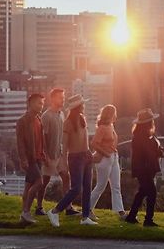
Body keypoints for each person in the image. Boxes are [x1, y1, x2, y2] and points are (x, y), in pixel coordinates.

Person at [47, 94, 97, 227]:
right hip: (75, 158)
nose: (84, 106)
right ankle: (54, 211)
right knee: (76, 188)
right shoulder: (68, 123)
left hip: (86, 155)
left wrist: (90, 154)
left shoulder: (82, 119)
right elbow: (64, 145)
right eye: (83, 104)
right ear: (78, 107)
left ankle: (85, 217)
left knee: (87, 188)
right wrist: (63, 163)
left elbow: (84, 139)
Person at [36, 88, 79, 216]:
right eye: (60, 97)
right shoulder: (46, 116)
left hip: (60, 154)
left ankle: (68, 207)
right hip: (49, 155)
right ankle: (39, 207)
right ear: (53, 99)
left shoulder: (62, 114)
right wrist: (45, 156)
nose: (63, 99)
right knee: (44, 182)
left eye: (63, 97)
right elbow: (42, 137)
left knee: (66, 177)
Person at [125, 108, 164, 227]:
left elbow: (152, 151)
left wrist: (159, 151)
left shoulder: (147, 135)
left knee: (142, 192)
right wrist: (159, 153)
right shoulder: (140, 138)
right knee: (151, 193)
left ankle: (132, 216)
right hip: (144, 170)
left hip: (147, 169)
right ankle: (148, 220)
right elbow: (147, 154)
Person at [89, 105, 126, 220]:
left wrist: (112, 152)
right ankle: (88, 209)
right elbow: (94, 143)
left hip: (114, 158)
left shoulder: (111, 125)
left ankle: (121, 212)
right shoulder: (102, 127)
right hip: (105, 159)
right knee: (100, 186)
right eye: (114, 113)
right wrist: (105, 153)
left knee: (116, 186)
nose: (116, 115)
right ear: (110, 114)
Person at [16, 93, 46, 224]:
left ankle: (23, 215)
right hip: (30, 159)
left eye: (42, 103)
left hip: (38, 157)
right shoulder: (22, 121)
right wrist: (23, 159)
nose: (41, 106)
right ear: (31, 103)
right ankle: (26, 212)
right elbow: (20, 142)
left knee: (28, 186)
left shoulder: (39, 119)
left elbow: (40, 139)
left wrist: (43, 152)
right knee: (39, 182)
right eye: (39, 103)